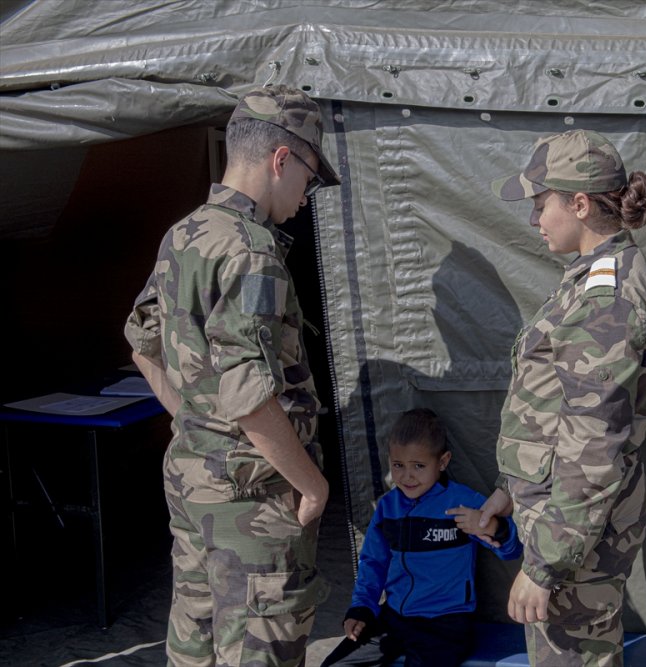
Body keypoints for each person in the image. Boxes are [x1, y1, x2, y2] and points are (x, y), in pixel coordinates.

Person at [124, 84, 340, 666]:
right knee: (258, 648)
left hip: (194, 479)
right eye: (310, 179)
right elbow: (248, 395)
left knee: (197, 644)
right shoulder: (254, 251)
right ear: (280, 159)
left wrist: (192, 418)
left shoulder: (184, 233)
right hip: (254, 493)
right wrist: (314, 485)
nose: (306, 197)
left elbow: (141, 338)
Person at [480, 129, 646, 667]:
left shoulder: (607, 298)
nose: (535, 219)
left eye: (542, 204)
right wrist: (510, 489)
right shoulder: (590, 278)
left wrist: (545, 566)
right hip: (563, 514)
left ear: (579, 203)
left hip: (573, 531)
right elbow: (551, 404)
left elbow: (593, 448)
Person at [321, 408, 522, 667]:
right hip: (394, 618)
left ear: (442, 461)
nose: (407, 476)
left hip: (445, 624)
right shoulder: (387, 508)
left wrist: (490, 526)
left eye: (418, 466)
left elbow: (512, 548)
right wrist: (362, 609)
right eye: (398, 465)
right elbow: (372, 563)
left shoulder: (463, 503)